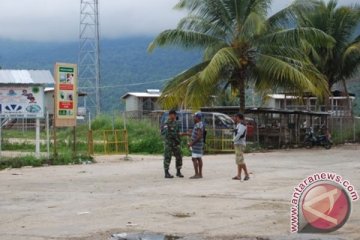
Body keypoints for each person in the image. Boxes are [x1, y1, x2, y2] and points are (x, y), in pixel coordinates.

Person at [161, 109, 184, 179]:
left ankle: (178, 171)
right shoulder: (166, 123)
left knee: (179, 157)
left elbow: (178, 132)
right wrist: (173, 135)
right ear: (170, 115)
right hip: (169, 143)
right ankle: (166, 173)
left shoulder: (177, 123)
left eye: (175, 115)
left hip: (176, 143)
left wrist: (180, 135)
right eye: (173, 115)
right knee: (167, 157)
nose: (174, 116)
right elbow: (164, 133)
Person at [232, 113, 250, 181]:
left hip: (240, 144)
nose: (234, 118)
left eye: (235, 117)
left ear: (239, 117)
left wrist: (233, 140)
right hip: (238, 143)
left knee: (240, 160)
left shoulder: (242, 124)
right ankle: (239, 175)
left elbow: (239, 133)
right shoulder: (239, 124)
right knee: (238, 160)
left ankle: (246, 174)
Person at [188, 112, 204, 179]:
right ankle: (200, 174)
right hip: (198, 144)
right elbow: (197, 134)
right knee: (199, 158)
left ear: (197, 118)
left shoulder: (198, 124)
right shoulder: (199, 124)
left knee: (194, 158)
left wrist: (192, 143)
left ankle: (197, 174)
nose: (193, 118)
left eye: (194, 117)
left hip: (196, 144)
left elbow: (199, 136)